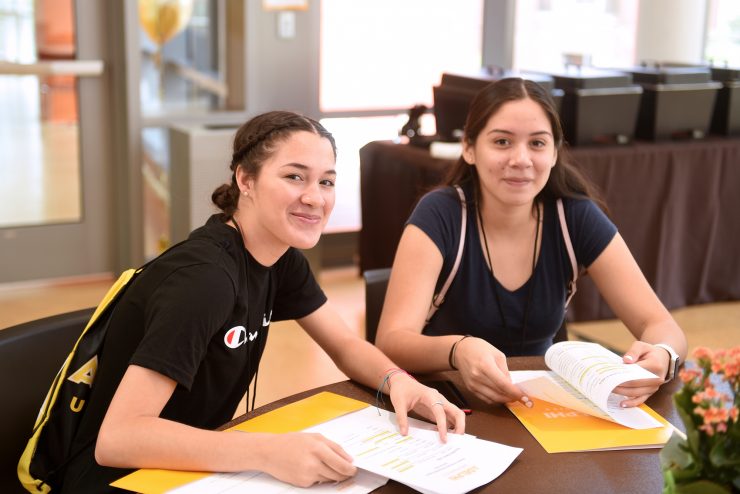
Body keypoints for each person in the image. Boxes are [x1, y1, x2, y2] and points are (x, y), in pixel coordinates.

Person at [59, 111, 465, 493]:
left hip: (193, 468)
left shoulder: (279, 258)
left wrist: (400, 382)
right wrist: (268, 451)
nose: (315, 198)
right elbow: (117, 439)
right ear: (245, 180)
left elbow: (345, 345)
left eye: (326, 182)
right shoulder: (204, 281)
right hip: (120, 480)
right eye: (294, 177)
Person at [375, 78, 687, 410]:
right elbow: (392, 341)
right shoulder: (441, 213)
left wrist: (663, 356)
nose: (521, 159)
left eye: (537, 143)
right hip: (451, 403)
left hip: (542, 405)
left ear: (555, 152)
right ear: (469, 148)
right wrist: (458, 349)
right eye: (502, 142)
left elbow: (662, 326)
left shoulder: (575, 216)